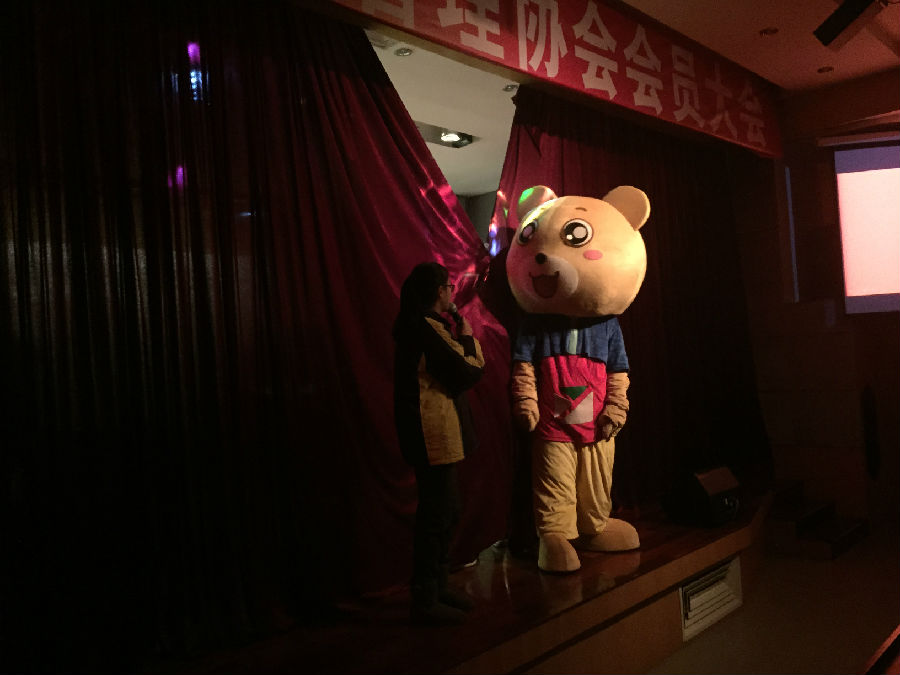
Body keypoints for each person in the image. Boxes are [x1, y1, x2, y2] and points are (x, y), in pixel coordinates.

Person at [392, 262, 485, 625]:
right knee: (437, 516)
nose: (451, 293)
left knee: (446, 512)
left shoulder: (423, 326)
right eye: (448, 286)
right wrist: (467, 337)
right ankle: (426, 597)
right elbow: (467, 370)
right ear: (437, 292)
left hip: (436, 432)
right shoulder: (427, 327)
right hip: (432, 433)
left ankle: (438, 585)